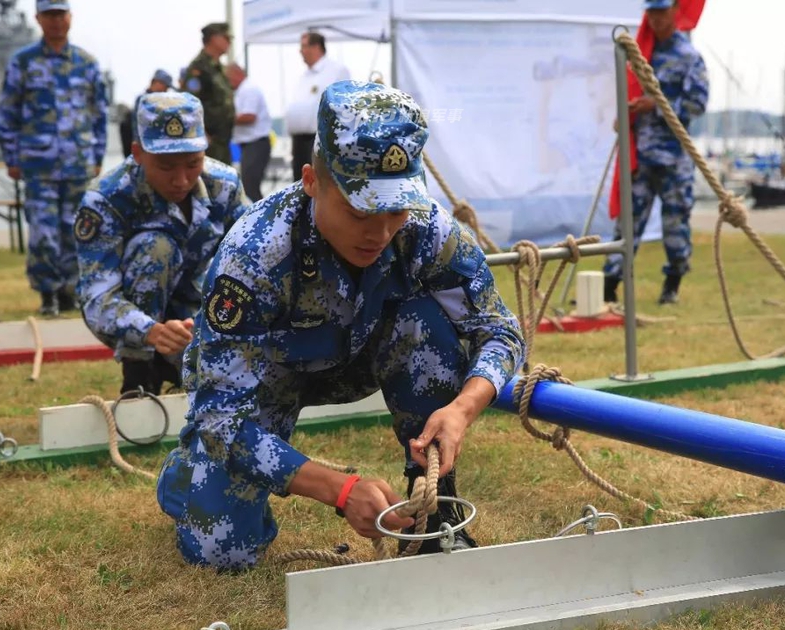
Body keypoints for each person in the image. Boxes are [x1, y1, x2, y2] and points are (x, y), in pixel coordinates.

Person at [156, 80, 525, 570]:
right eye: (359, 211)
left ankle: (434, 512)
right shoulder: (255, 252)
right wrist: (341, 490)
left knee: (424, 321)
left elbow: (499, 330)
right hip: (268, 381)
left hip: (359, 361)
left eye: (395, 209)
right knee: (223, 551)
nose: (380, 231)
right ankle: (184, 476)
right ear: (311, 181)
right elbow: (222, 416)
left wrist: (461, 409)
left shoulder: (424, 228)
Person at [75, 93, 250, 395]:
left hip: (197, 312)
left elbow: (255, 260)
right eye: (166, 167)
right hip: (137, 321)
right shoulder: (106, 199)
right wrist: (149, 332)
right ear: (138, 153)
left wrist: (217, 321)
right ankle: (140, 375)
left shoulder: (225, 185)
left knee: (231, 382)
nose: (181, 180)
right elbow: (97, 297)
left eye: (193, 164)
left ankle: (178, 366)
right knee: (156, 247)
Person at [0, 0, 108, 316]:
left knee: (77, 230)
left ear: (70, 17)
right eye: (49, 15)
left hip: (77, 165)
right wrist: (12, 158)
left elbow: (99, 114)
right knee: (43, 233)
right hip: (38, 165)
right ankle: (47, 294)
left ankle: (70, 292)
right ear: (38, 19)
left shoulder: (87, 63)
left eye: (60, 14)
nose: (56, 21)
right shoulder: (23, 62)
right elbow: (6, 115)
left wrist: (97, 155)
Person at [602, 0, 708, 305]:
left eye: (662, 11)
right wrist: (629, 113)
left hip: (674, 158)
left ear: (675, 10)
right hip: (641, 156)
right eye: (652, 12)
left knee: (675, 223)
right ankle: (609, 286)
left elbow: (697, 104)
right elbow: (631, 89)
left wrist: (658, 105)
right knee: (628, 223)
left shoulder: (688, 56)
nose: (656, 18)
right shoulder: (641, 52)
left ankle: (672, 285)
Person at [284, 31, 350, 181]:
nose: (300, 51)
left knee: (317, 182)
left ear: (316, 47)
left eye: (304, 46)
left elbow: (343, 106)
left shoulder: (336, 70)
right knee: (300, 183)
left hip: (319, 140)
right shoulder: (304, 76)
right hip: (299, 141)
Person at [181, 23, 234, 165]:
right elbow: (188, 103)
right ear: (214, 39)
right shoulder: (199, 68)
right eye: (226, 38)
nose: (229, 42)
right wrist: (202, 134)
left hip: (223, 141)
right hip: (208, 143)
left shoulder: (219, 68)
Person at [228, 63, 272, 203]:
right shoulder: (242, 91)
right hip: (250, 145)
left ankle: (260, 215)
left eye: (228, 77)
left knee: (250, 188)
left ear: (237, 74)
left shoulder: (249, 89)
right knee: (249, 187)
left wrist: (224, 119)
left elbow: (249, 116)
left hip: (256, 144)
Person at [119, 69, 174, 158]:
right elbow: (137, 125)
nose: (166, 90)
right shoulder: (143, 100)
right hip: (144, 146)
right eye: (165, 86)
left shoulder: (164, 101)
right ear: (156, 82)